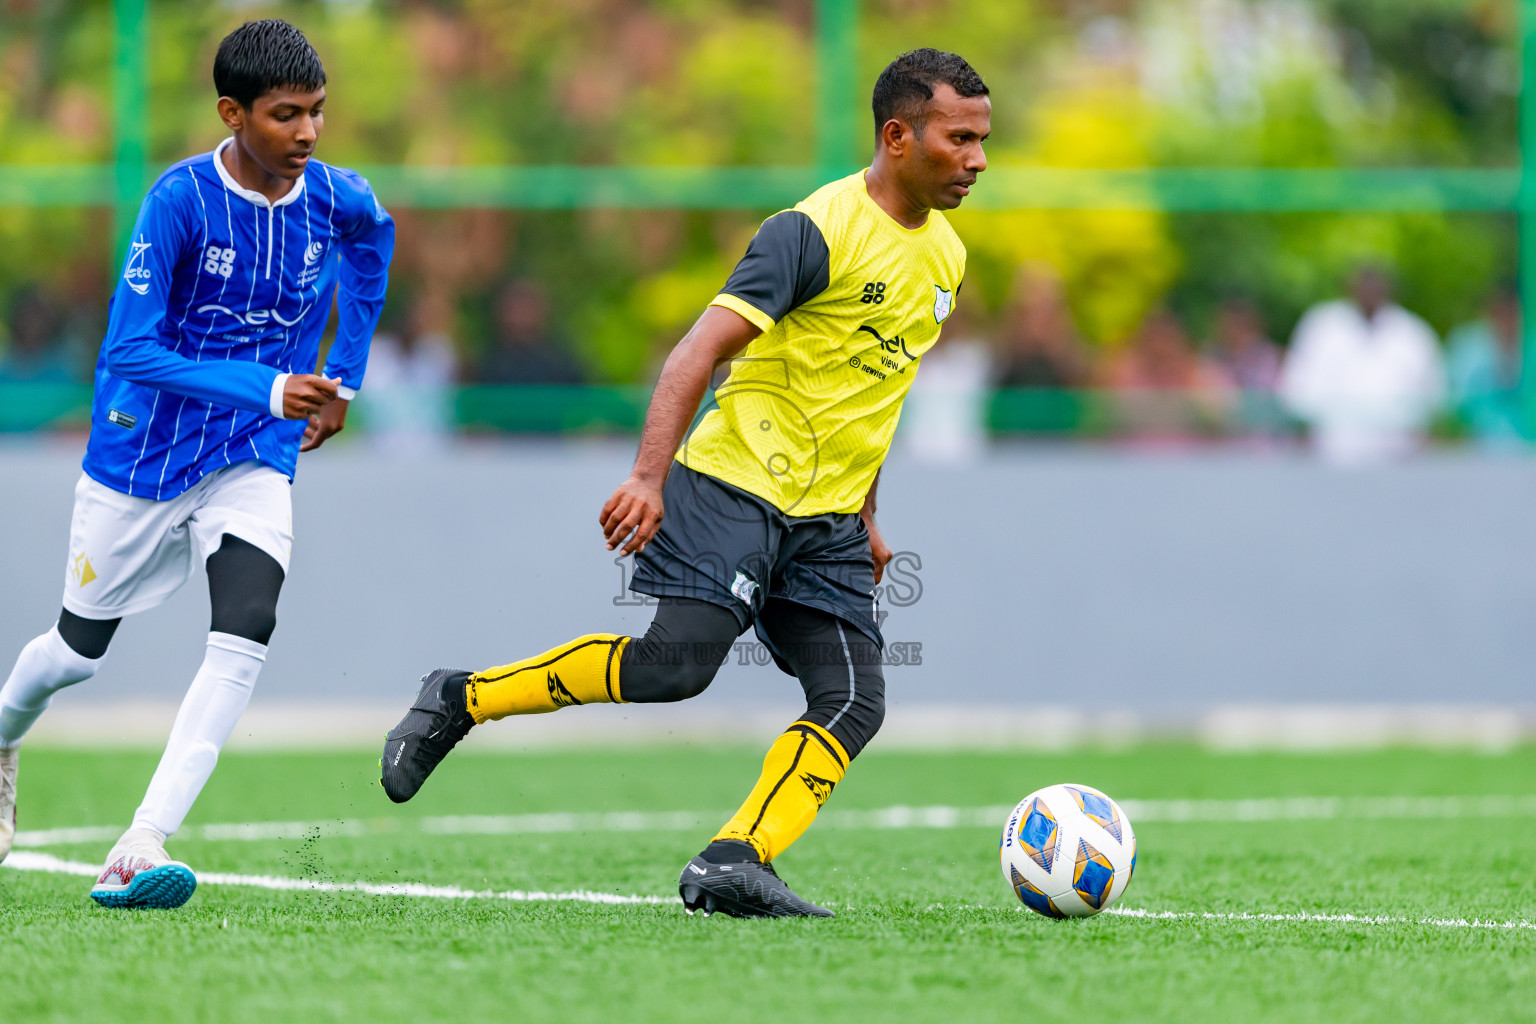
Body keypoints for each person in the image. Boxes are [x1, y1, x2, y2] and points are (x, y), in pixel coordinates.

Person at [379, 47, 989, 918]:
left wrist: (870, 515)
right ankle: (459, 698)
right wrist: (646, 477)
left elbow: (872, 393)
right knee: (674, 668)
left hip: (827, 526)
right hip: (735, 486)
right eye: (958, 139)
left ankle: (733, 859)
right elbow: (696, 352)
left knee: (854, 698)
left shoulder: (947, 260)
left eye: (981, 140)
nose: (976, 160)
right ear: (898, 136)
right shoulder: (811, 232)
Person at [0, 20, 394, 908]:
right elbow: (130, 349)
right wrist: (269, 386)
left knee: (248, 624)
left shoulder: (336, 198)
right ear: (232, 112)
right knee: (73, 654)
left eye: (317, 113)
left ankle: (141, 844)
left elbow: (376, 245)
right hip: (142, 454)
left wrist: (346, 379)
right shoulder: (177, 202)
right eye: (285, 114)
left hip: (252, 455)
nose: (306, 134)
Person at [1280, 266, 1445, 464]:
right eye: (1363, 286)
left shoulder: (1413, 332)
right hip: (1332, 454)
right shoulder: (1321, 326)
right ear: (1349, 289)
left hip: (1400, 455)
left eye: (1375, 287)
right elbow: (1296, 389)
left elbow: (1434, 396)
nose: (1369, 293)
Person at [1446, 285, 1525, 450]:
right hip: (1475, 444)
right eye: (1500, 313)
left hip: (1526, 445)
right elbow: (1456, 401)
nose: (1506, 320)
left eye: (1511, 313)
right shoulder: (1468, 345)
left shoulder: (1529, 345)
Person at [475, 278, 584, 384]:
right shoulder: (490, 364)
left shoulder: (561, 364)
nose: (520, 315)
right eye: (514, 307)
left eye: (526, 307)